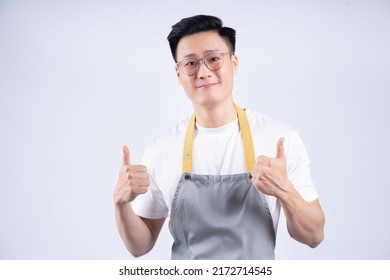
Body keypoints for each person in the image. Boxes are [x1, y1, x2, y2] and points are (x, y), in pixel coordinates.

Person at [113, 15, 325, 260]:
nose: (203, 72)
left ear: (234, 63)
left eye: (213, 59)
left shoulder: (279, 139)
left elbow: (313, 236)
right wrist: (120, 203)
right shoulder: (161, 149)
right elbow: (140, 245)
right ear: (178, 74)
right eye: (190, 63)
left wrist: (285, 191)